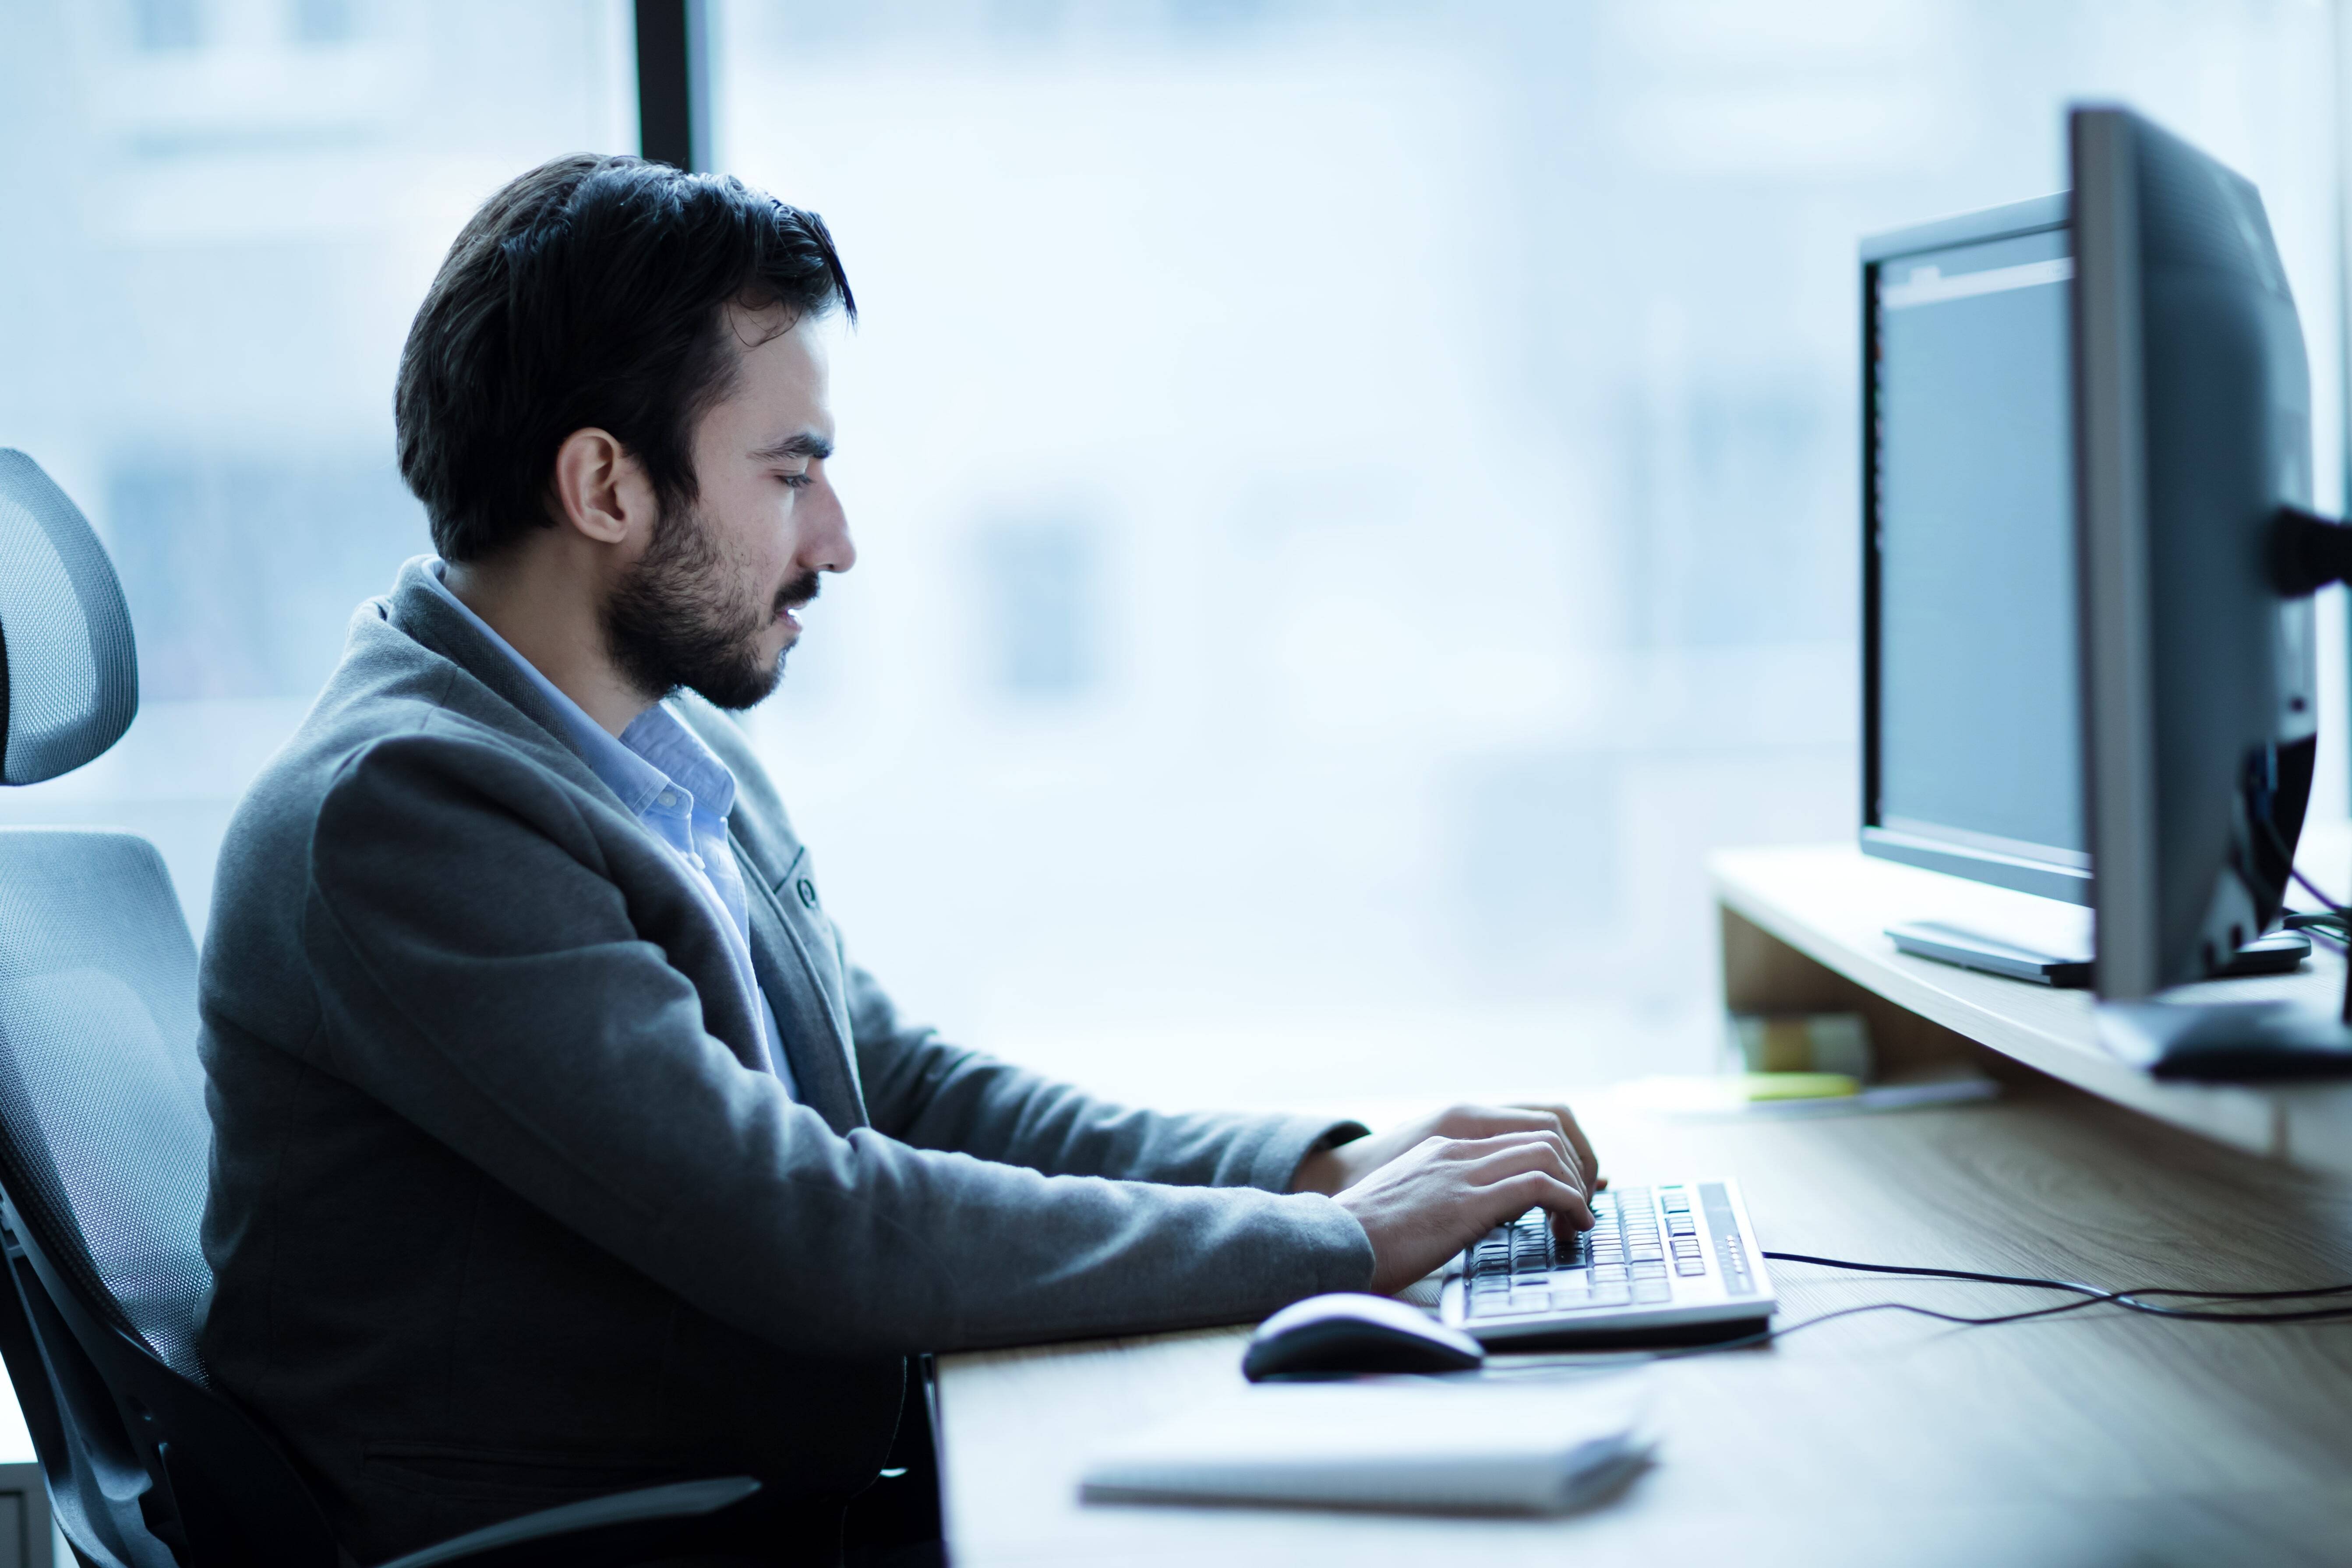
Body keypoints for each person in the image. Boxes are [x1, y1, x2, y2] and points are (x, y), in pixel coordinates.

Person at [196, 153, 1600, 1567]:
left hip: (749, 1493)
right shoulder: (407, 809)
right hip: (601, 1538)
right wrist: (1340, 1250)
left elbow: (899, 1090)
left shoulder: (658, 752)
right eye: (790, 472)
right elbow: (799, 1222)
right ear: (605, 485)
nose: (837, 540)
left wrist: (1312, 1172)